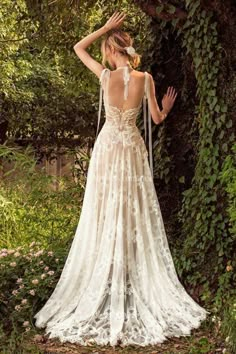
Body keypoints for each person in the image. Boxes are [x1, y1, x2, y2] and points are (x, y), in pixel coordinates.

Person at [34, 11, 210, 347]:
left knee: (104, 209)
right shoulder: (145, 78)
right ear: (128, 49)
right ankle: (127, 274)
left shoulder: (104, 76)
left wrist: (104, 27)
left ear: (111, 52)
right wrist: (167, 108)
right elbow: (156, 119)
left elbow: (77, 48)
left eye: (106, 50)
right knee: (133, 210)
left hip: (108, 148)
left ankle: (110, 275)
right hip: (131, 148)